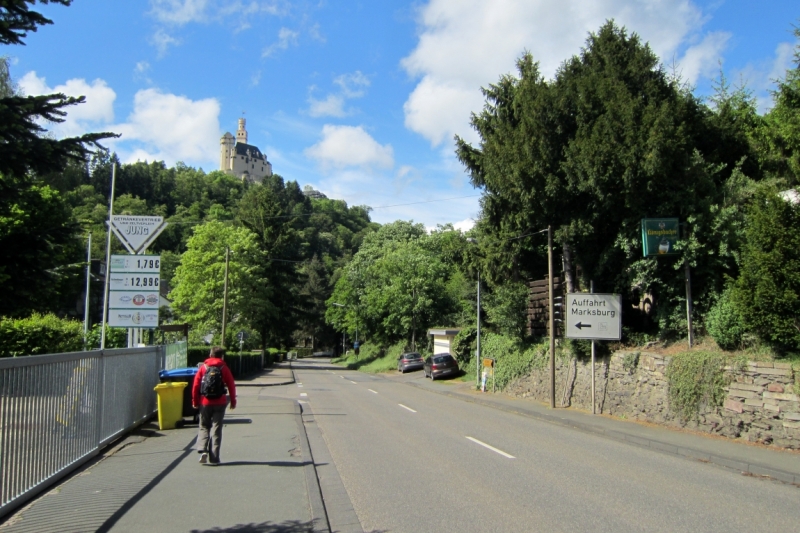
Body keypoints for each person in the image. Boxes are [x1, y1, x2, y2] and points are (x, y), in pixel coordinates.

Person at [192, 346, 236, 465]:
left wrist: (195, 401)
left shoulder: (203, 367)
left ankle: (203, 450)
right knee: (217, 428)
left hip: (205, 402)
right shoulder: (224, 368)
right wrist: (233, 401)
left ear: (210, 355)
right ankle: (215, 458)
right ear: (222, 356)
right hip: (220, 402)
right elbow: (231, 385)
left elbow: (196, 385)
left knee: (204, 426)